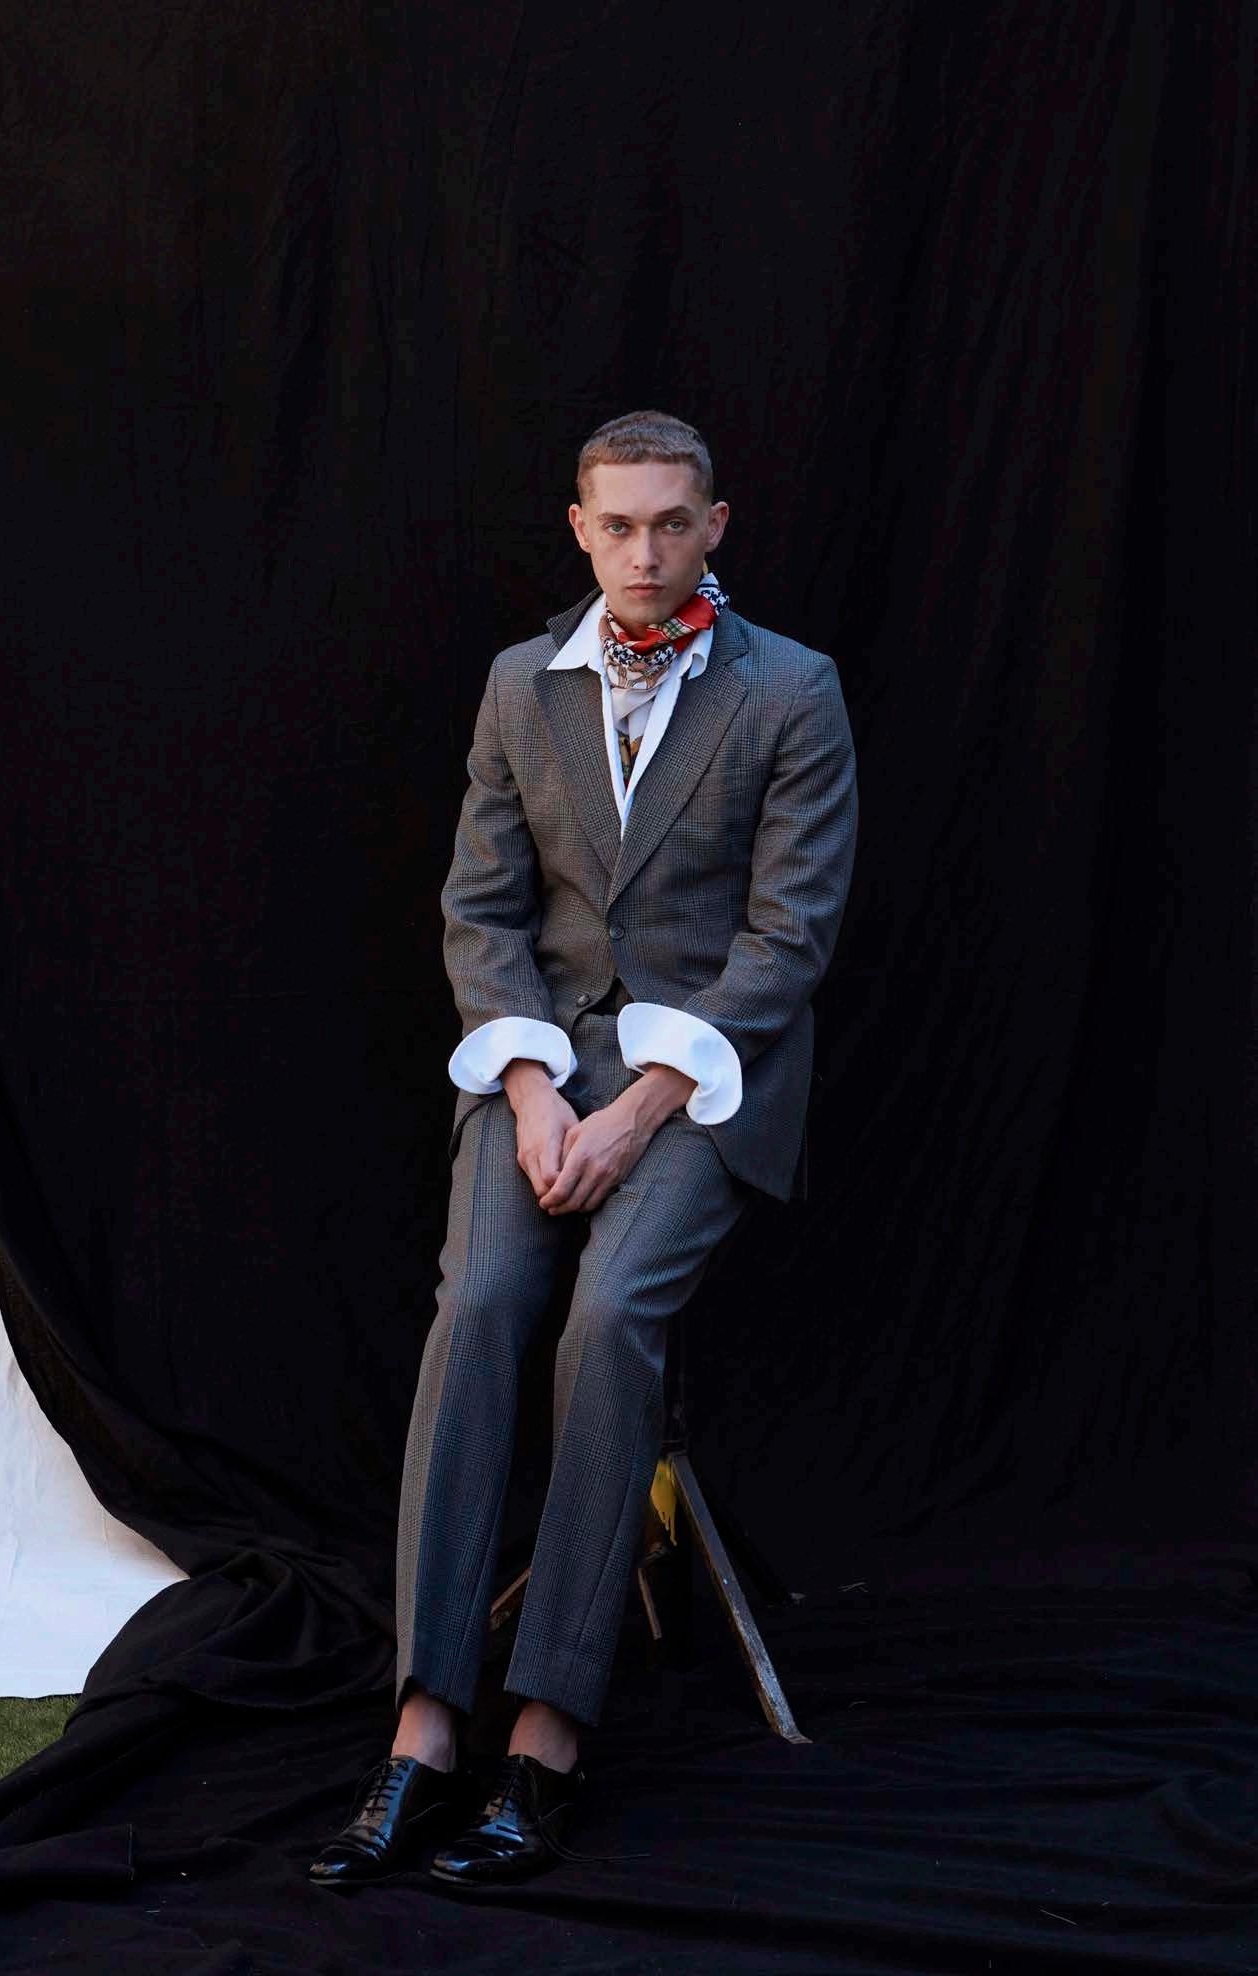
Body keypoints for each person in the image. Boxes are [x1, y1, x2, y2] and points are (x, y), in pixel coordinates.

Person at [309, 409, 859, 1887]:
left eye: (672, 523)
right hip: (538, 1068)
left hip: (706, 1078)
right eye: (618, 526)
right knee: (481, 1306)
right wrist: (536, 1088)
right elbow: (480, 911)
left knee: (610, 1319)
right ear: (580, 529)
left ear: (714, 526)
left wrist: (633, 1110)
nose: (644, 551)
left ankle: (547, 1731)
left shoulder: (791, 690)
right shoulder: (520, 683)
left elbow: (789, 939)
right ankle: (426, 1723)